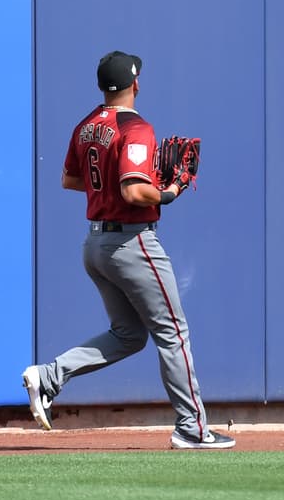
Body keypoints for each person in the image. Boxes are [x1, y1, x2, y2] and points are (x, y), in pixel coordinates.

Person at [22, 51, 235, 450]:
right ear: (135, 84)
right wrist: (168, 191)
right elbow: (135, 190)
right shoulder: (135, 128)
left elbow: (70, 179)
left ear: (103, 87)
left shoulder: (86, 125)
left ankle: (50, 376)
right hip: (131, 242)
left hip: (96, 245)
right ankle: (192, 427)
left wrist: (114, 185)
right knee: (173, 332)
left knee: (128, 335)